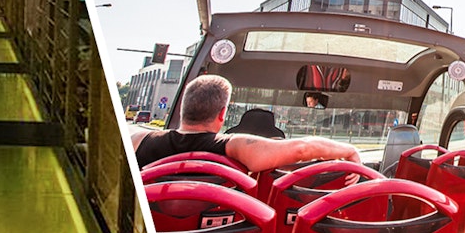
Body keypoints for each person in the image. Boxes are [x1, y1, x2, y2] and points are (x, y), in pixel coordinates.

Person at [132, 74, 362, 171]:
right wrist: (349, 150)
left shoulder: (138, 141)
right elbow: (302, 148)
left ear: (183, 108)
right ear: (222, 114)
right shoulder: (232, 146)